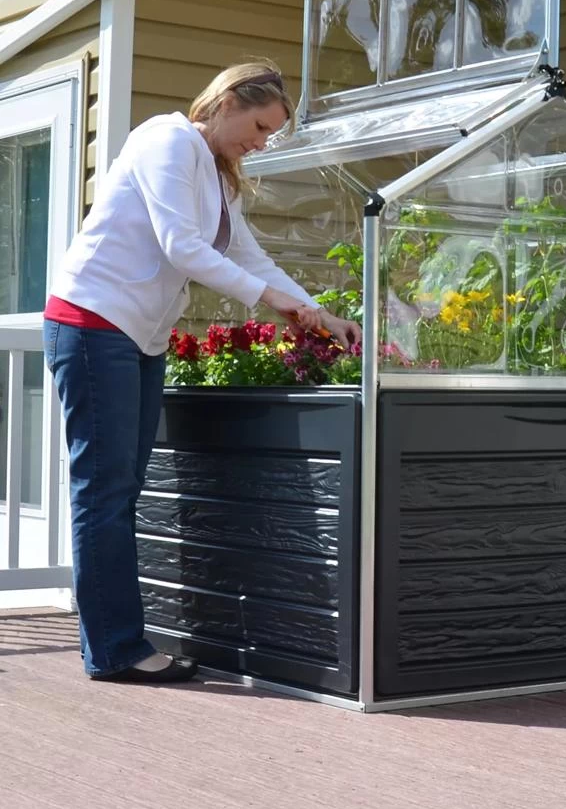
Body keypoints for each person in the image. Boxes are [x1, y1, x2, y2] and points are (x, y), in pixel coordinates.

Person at [43, 61, 361, 684]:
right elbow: (180, 245)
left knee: (121, 489)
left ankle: (115, 642)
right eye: (259, 127)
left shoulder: (219, 178)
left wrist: (318, 314)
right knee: (104, 491)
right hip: (92, 323)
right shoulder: (166, 140)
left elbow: (249, 256)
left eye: (270, 134)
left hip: (139, 336)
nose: (261, 143)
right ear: (227, 102)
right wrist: (272, 302)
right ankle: (116, 650)